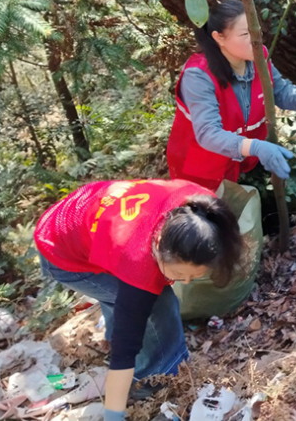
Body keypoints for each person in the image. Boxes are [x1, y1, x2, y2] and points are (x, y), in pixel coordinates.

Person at [34, 179, 244, 421]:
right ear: (158, 247)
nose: (185, 282)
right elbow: (125, 352)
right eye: (178, 274)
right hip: (60, 249)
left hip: (91, 220)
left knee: (128, 300)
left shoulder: (204, 215)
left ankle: (129, 342)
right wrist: (113, 414)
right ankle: (159, 373)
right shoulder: (138, 263)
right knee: (155, 303)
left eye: (195, 275)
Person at [167, 0, 296, 191]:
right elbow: (208, 133)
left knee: (236, 204)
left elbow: (280, 91)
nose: (255, 39)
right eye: (245, 34)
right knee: (206, 213)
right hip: (202, 163)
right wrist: (256, 147)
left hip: (240, 158)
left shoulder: (259, 57)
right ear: (219, 37)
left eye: (255, 30)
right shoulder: (198, 76)